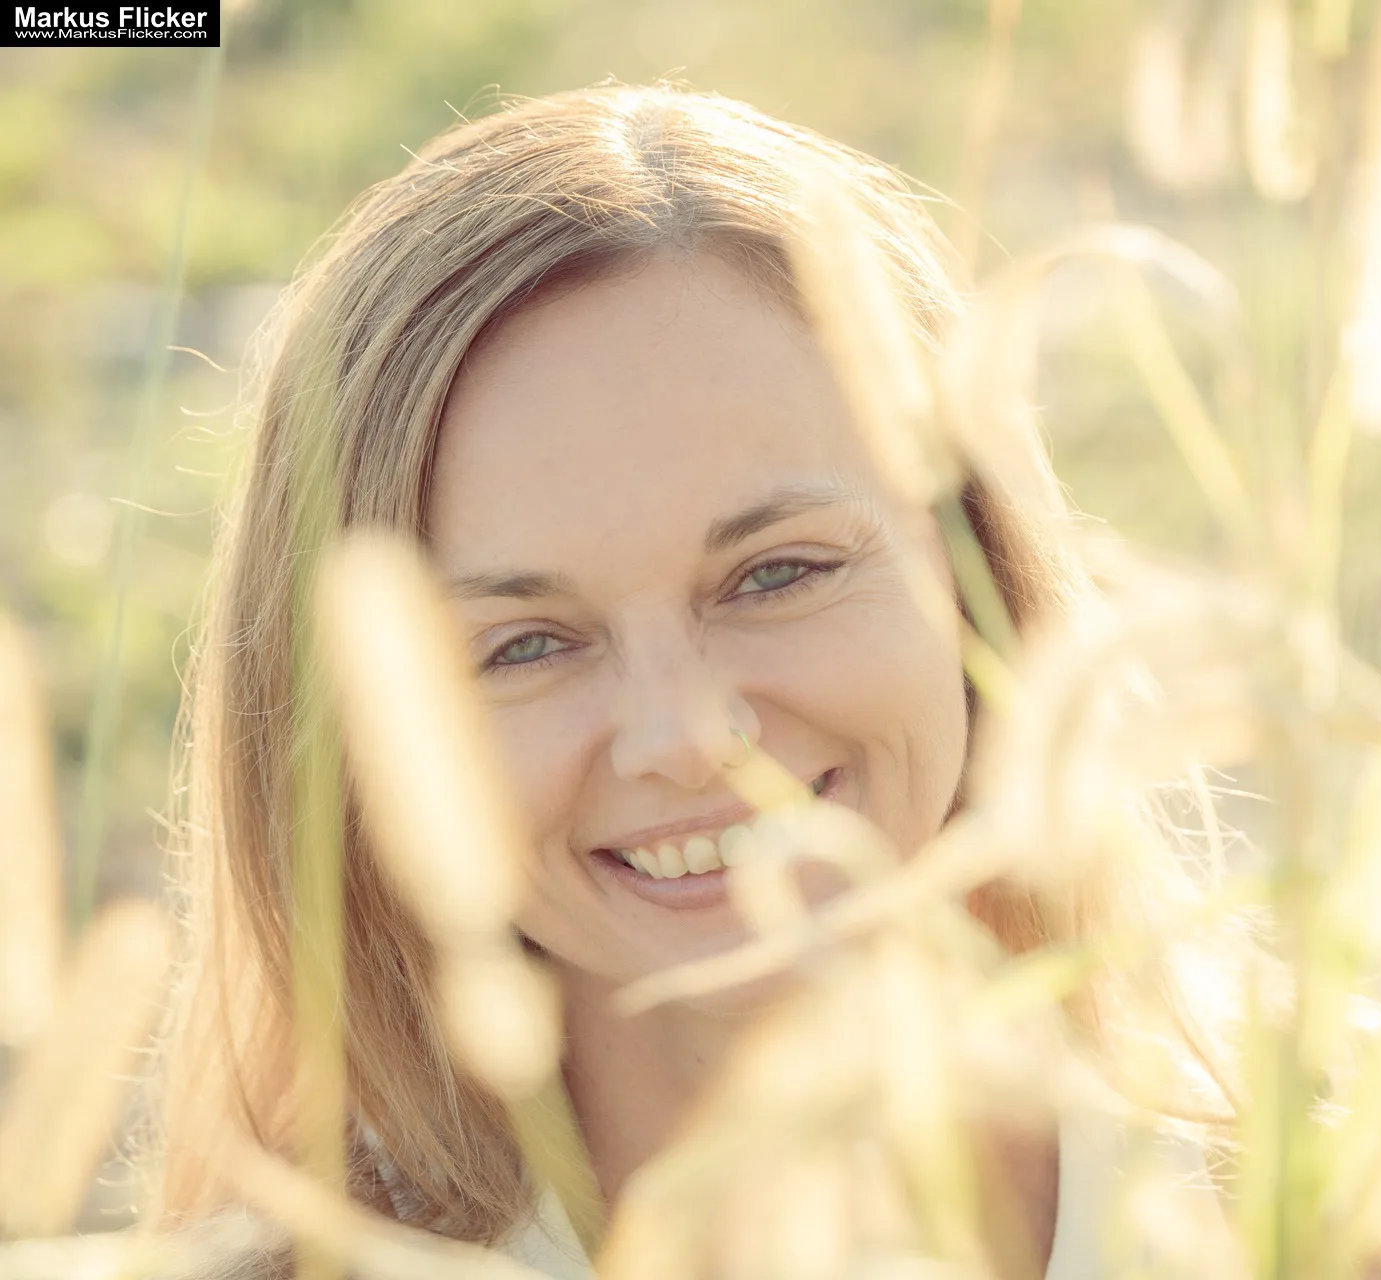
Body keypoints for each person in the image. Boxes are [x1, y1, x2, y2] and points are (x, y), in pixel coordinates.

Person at [150, 83, 1249, 1278]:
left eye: (777, 573)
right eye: (524, 642)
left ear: (975, 561)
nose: (688, 732)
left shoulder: (1365, 1233)